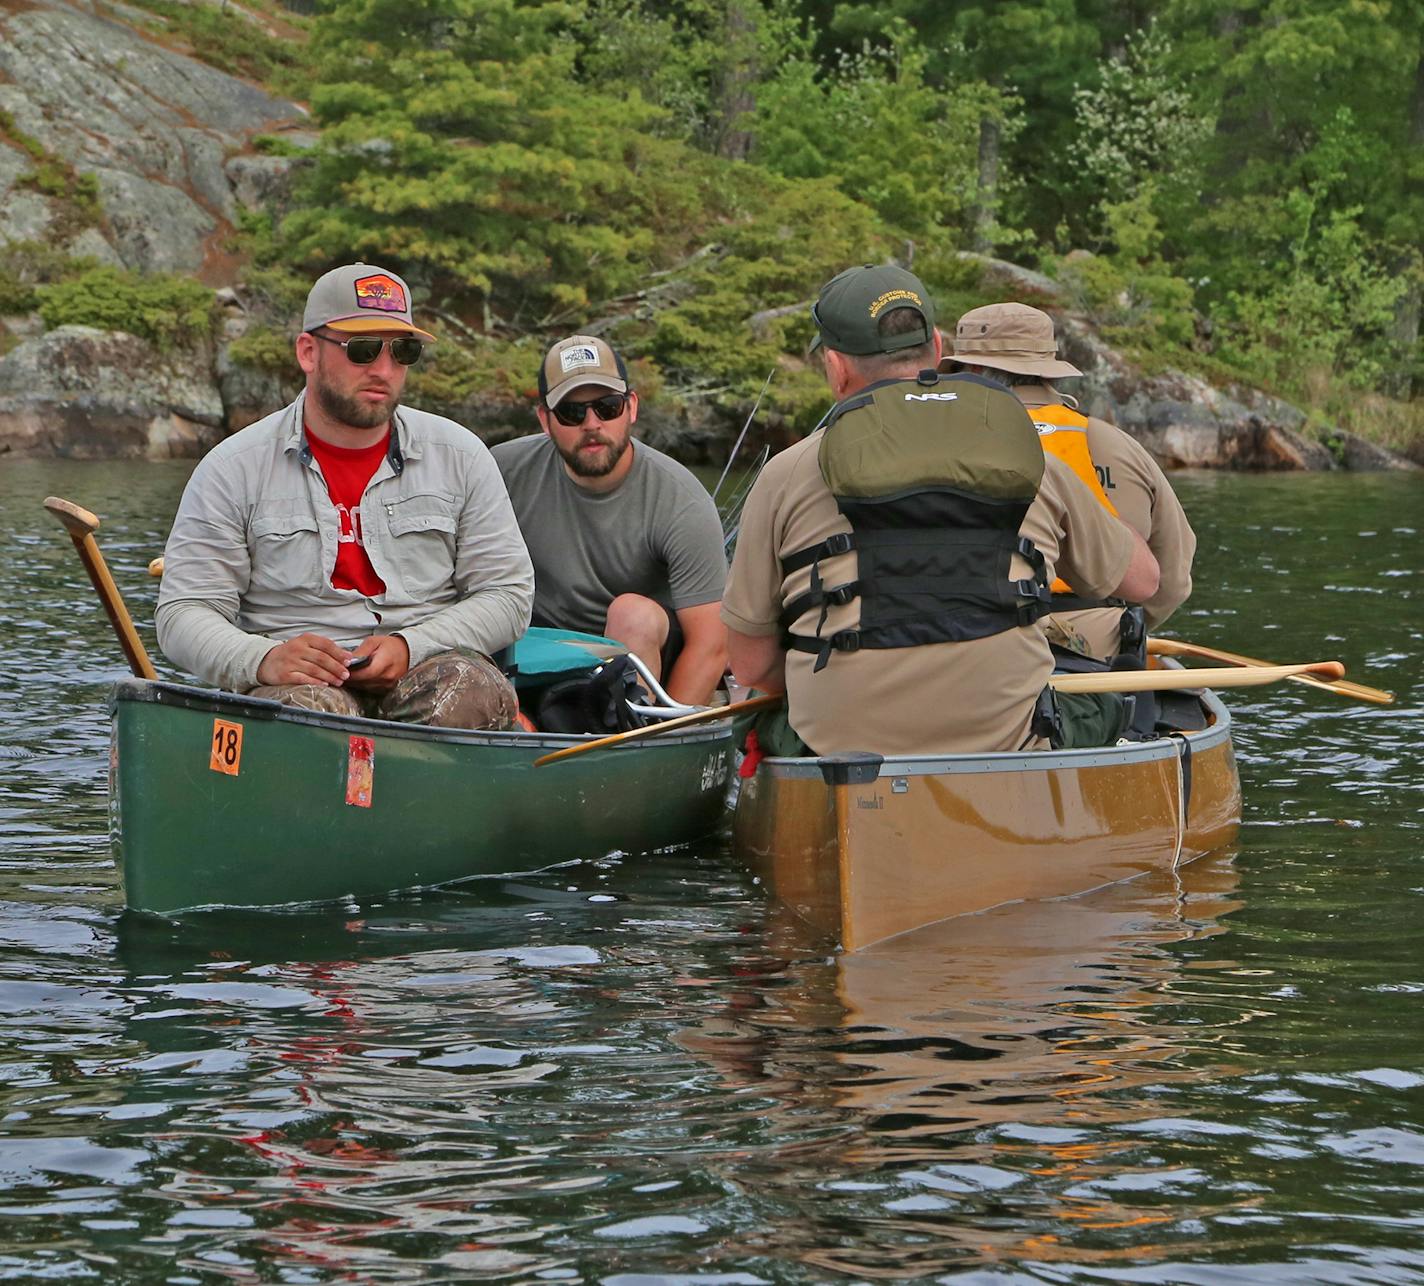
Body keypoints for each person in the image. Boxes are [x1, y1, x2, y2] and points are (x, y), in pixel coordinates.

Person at [721, 264, 1161, 757]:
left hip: (841, 747)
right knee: (1106, 707)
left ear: (836, 367)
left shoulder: (785, 472)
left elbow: (750, 665)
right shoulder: (1024, 453)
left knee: (756, 713)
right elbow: (1144, 582)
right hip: (1008, 741)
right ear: (936, 347)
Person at [156, 262, 534, 729]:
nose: (383, 368)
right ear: (308, 352)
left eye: (403, 351)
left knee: (471, 689)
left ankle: (413, 789)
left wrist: (410, 645)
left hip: (430, 670)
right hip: (297, 688)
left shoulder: (462, 456)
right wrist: (262, 659)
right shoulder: (230, 468)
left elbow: (509, 593)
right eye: (362, 349)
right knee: (302, 714)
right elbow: (183, 613)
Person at [947, 302, 1196, 663]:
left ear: (969, 369)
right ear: (1049, 369)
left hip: (973, 648)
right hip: (1099, 647)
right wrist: (1120, 627)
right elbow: (1172, 576)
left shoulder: (941, 445)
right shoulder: (1116, 445)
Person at [491, 334, 728, 706]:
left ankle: (631, 731)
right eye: (571, 411)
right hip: (532, 658)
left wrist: (663, 742)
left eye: (607, 407)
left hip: (641, 666)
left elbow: (712, 644)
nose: (591, 423)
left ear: (631, 408)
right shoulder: (499, 472)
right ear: (544, 420)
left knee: (632, 614)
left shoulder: (682, 501)